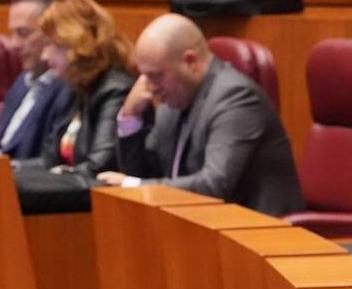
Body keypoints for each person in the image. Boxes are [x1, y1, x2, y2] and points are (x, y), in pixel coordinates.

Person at [98, 13, 303, 216]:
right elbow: (148, 176)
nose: (149, 89)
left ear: (190, 61)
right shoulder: (173, 102)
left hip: (259, 232)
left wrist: (132, 185)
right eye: (145, 76)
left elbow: (214, 186)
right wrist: (130, 118)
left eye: (156, 76)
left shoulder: (235, 98)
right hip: (203, 227)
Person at [22, 0, 132, 176]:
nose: (44, 56)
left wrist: (42, 179)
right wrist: (12, 170)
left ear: (77, 42)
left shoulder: (115, 90)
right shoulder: (78, 87)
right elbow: (48, 160)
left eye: (51, 44)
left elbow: (99, 167)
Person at [0, 0, 71, 159]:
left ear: (52, 33)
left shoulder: (68, 88)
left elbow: (48, 162)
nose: (14, 43)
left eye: (23, 33)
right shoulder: (22, 80)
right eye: (12, 33)